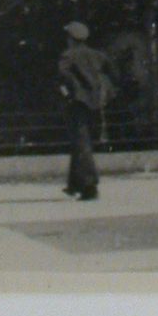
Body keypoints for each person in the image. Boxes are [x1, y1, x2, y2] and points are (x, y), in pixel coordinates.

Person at [57, 22, 112, 202]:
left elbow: (62, 76)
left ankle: (90, 186)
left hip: (77, 103)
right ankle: (74, 185)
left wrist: (67, 93)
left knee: (81, 143)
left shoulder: (68, 55)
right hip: (96, 104)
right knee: (81, 143)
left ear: (71, 39)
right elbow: (112, 74)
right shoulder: (98, 56)